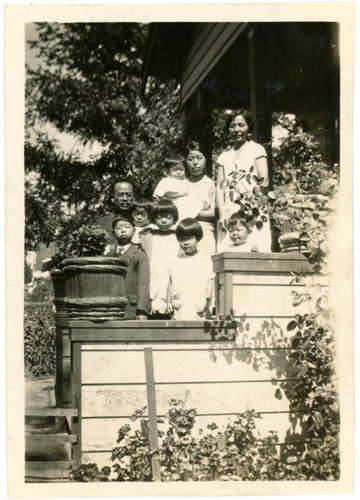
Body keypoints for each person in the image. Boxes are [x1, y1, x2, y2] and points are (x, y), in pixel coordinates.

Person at [216, 110, 272, 252]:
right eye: (232, 126)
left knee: (257, 248)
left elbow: (264, 181)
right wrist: (222, 213)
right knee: (228, 252)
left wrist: (251, 208)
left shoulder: (257, 149)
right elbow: (220, 188)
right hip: (230, 211)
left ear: (249, 128)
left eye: (241, 125)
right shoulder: (223, 157)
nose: (236, 129)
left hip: (253, 210)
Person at [139, 199, 179, 318]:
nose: (163, 220)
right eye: (159, 217)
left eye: (168, 217)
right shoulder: (149, 236)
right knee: (154, 294)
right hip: (155, 271)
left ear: (174, 218)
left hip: (171, 272)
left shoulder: (178, 236)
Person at [104, 216, 150, 320]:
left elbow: (143, 284)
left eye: (127, 227)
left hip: (130, 307)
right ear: (113, 232)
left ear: (134, 231)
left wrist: (142, 310)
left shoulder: (139, 255)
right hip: (109, 307)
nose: (123, 230)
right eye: (119, 228)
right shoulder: (107, 256)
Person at [170, 218, 213, 320]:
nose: (185, 243)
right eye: (182, 239)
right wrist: (170, 302)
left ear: (197, 238)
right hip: (181, 303)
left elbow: (210, 281)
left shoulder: (205, 260)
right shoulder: (175, 260)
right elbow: (171, 283)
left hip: (199, 303)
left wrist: (207, 300)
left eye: (189, 238)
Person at [185, 141, 216, 255]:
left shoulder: (211, 185)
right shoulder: (181, 185)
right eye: (191, 159)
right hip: (183, 233)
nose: (195, 162)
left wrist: (189, 212)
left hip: (204, 232)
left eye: (199, 158)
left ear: (206, 160)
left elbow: (215, 212)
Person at [153, 154, 203, 221]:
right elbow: (169, 193)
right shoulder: (167, 181)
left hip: (183, 205)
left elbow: (190, 193)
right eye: (175, 170)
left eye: (181, 170)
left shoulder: (183, 181)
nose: (179, 172)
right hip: (172, 205)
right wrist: (180, 193)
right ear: (168, 171)